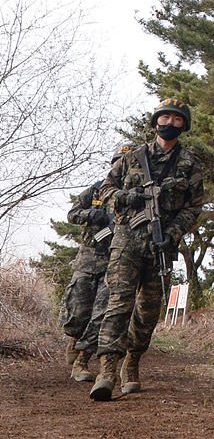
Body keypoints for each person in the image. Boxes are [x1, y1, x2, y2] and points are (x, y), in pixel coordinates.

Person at [89, 97, 204, 401]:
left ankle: (133, 362)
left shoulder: (190, 163)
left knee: (148, 311)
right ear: (156, 122)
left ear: (184, 125)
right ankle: (107, 371)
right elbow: (106, 192)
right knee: (118, 304)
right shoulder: (132, 158)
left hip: (161, 245)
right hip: (126, 240)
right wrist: (131, 197)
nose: (169, 123)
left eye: (177, 119)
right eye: (164, 118)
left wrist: (174, 232)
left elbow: (194, 207)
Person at [59, 150, 129, 382]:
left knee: (101, 314)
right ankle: (74, 338)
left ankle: (83, 360)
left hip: (115, 263)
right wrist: (93, 215)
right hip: (89, 259)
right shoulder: (96, 190)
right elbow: (72, 214)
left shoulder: (135, 196)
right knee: (78, 311)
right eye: (118, 163)